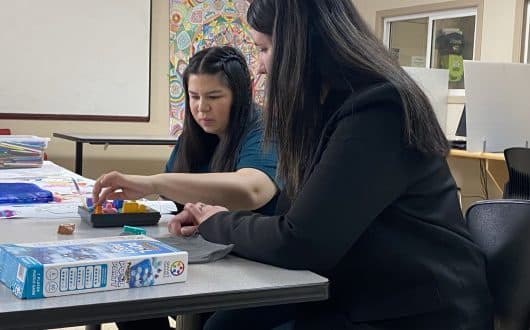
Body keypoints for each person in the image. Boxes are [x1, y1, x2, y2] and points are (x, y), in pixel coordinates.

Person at [167, 0, 494, 329]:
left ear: (299, 46)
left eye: (264, 48)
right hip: (364, 291)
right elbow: (293, 217)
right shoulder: (329, 113)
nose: (262, 67)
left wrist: (218, 222)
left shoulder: (378, 111)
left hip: (422, 311)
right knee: (226, 324)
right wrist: (210, 219)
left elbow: (301, 241)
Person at [92, 46, 281, 330]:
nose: (201, 108)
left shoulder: (263, 129)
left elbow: (252, 190)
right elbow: (176, 195)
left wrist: (151, 182)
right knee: (128, 290)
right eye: (194, 97)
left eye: (214, 97)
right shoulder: (195, 135)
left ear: (241, 96)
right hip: (203, 255)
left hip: (253, 264)